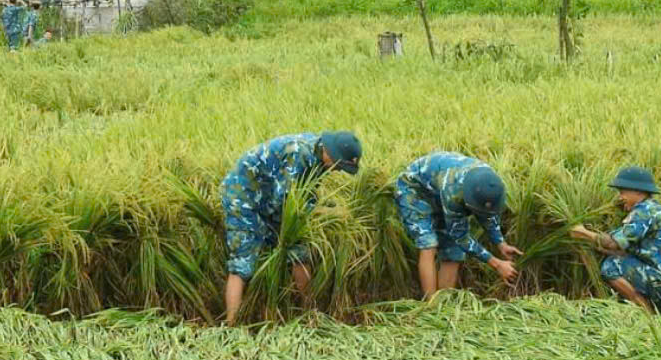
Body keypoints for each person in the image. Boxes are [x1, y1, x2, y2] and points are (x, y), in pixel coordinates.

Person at [221, 131, 362, 325]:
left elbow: (305, 192)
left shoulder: (320, 157)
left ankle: (309, 315)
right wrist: (324, 213)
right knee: (243, 262)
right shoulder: (299, 155)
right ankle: (231, 325)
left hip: (272, 198)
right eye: (340, 165)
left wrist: (324, 208)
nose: (338, 170)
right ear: (331, 153)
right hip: (244, 197)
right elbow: (288, 202)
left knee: (299, 253)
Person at [570, 166, 661, 314]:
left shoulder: (644, 212)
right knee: (618, 256)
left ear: (638, 191)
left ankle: (647, 315)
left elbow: (612, 243)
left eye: (623, 192)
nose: (620, 197)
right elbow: (616, 247)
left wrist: (583, 233)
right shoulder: (651, 209)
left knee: (612, 265)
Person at [393, 152, 521, 298]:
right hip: (414, 190)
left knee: (453, 252)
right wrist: (497, 264)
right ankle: (431, 307)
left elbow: (487, 213)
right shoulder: (453, 191)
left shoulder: (490, 184)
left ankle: (444, 305)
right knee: (428, 243)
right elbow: (460, 237)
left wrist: (501, 243)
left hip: (439, 191)